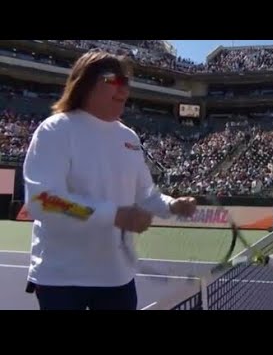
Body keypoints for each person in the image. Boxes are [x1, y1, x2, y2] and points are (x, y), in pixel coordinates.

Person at [22, 49, 197, 310]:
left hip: (117, 278)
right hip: (61, 279)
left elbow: (146, 195)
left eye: (126, 82)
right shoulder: (55, 130)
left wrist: (171, 205)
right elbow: (42, 201)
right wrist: (113, 215)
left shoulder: (129, 138)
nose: (123, 88)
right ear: (85, 83)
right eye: (113, 80)